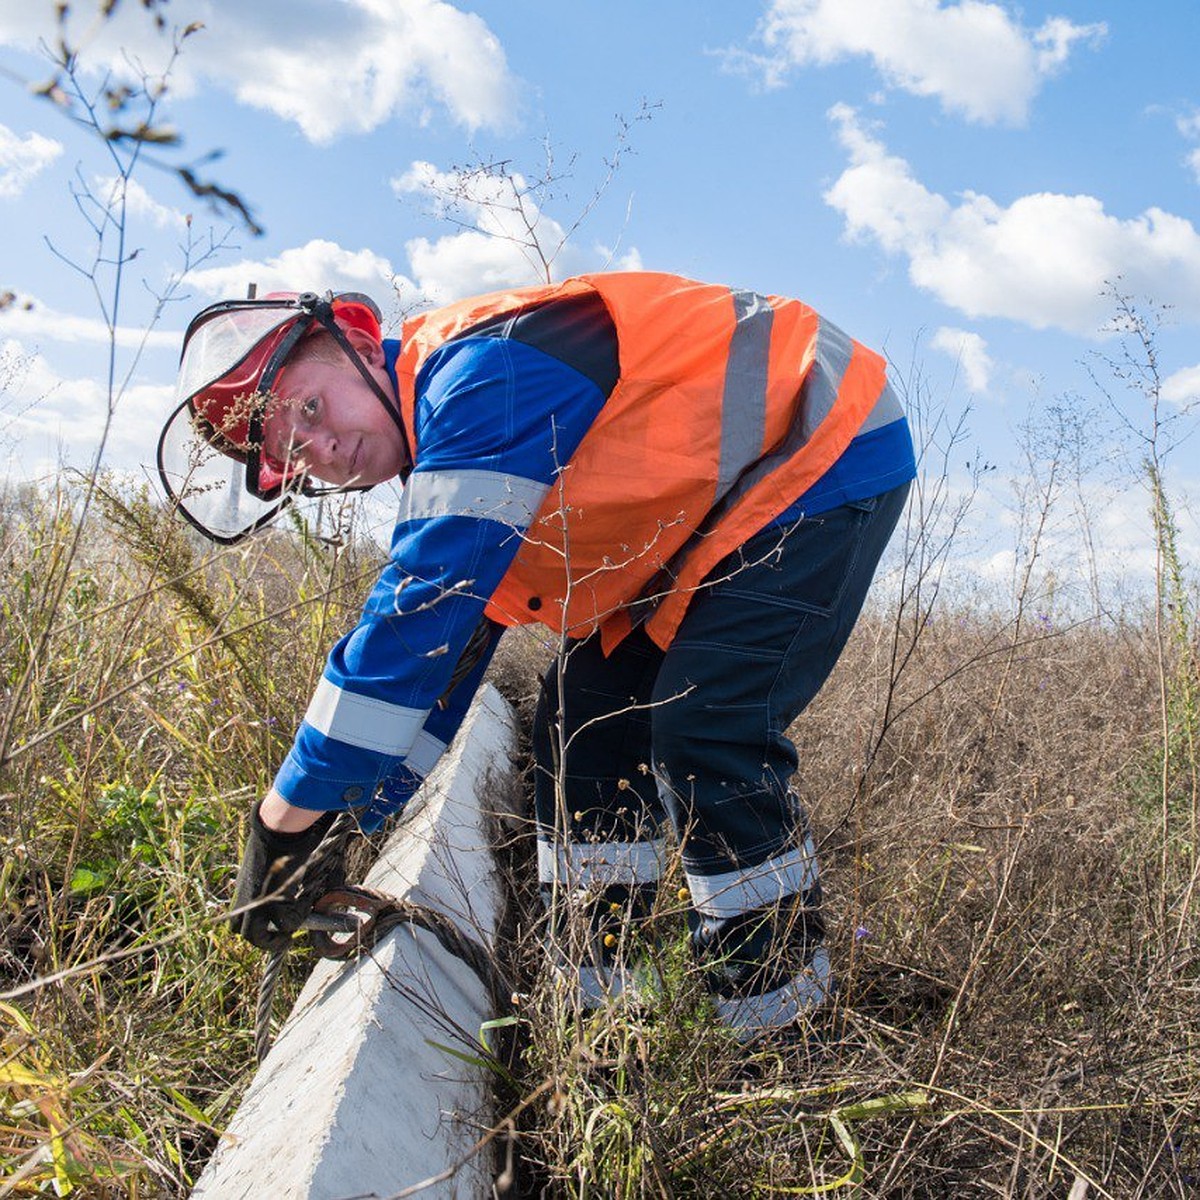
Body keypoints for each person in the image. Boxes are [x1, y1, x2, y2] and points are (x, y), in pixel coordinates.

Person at [157, 272, 915, 1040]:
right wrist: (347, 827)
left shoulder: (482, 374)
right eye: (297, 452)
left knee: (704, 729)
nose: (324, 447)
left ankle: (777, 1030)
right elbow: (438, 679)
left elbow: (413, 626)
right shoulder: (449, 453)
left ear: (357, 341)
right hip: (711, 516)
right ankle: (599, 1008)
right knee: (576, 724)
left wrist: (282, 830)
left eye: (311, 408)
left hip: (822, 439)